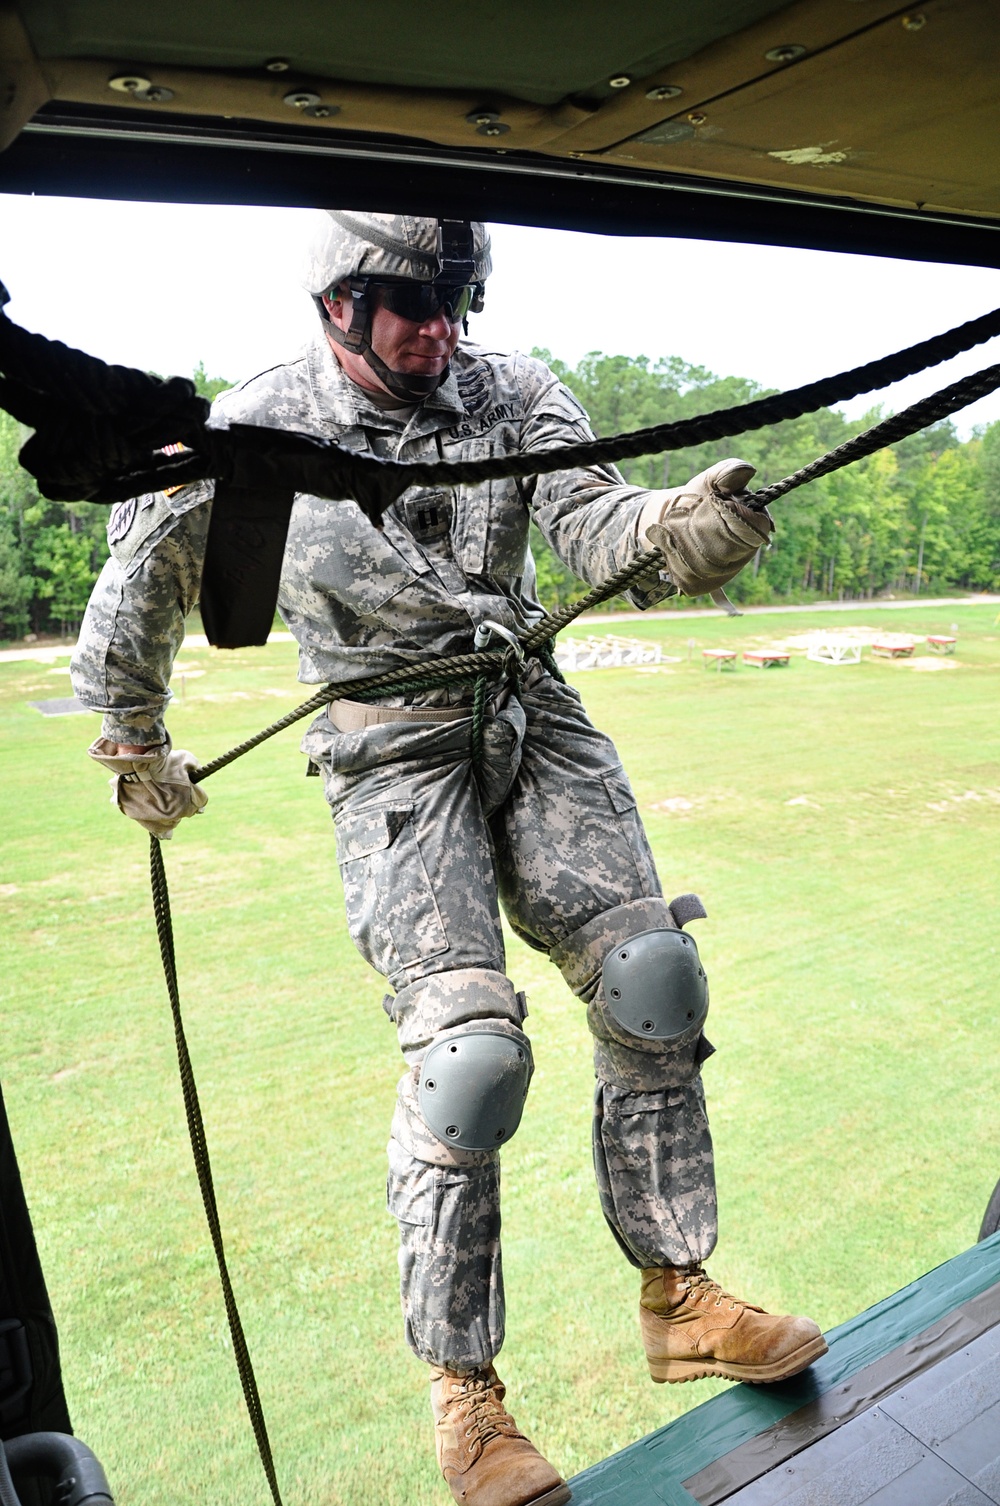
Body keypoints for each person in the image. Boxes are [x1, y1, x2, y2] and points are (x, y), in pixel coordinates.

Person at [71, 213, 826, 1506]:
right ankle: (466, 1401)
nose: (439, 328)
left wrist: (678, 527)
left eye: (455, 298)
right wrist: (133, 737)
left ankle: (678, 1293)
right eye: (407, 302)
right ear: (337, 305)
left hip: (529, 704)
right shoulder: (258, 428)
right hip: (386, 745)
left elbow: (598, 524)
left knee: (656, 974)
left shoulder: (514, 392)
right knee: (472, 1056)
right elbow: (142, 574)